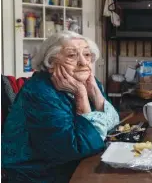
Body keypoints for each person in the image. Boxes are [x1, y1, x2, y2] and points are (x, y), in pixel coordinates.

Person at [2, 31, 119, 183]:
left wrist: (95, 92)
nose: (83, 62)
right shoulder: (39, 91)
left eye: (87, 55)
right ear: (50, 63)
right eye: (72, 56)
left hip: (76, 164)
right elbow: (75, 149)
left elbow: (113, 124)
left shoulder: (88, 81)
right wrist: (81, 95)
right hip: (39, 174)